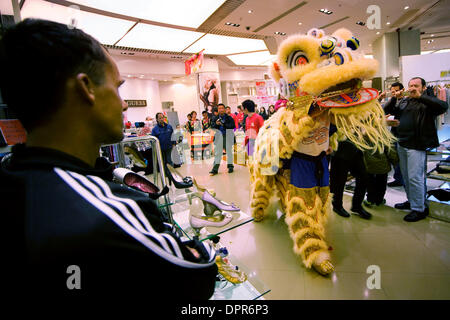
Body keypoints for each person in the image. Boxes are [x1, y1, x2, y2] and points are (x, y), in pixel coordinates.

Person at [0, 19, 217, 298]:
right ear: (86, 88)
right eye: (117, 88)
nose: (124, 103)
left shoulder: (13, 178)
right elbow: (199, 271)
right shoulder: (112, 210)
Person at [384, 77, 448, 222]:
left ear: (423, 87)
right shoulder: (405, 101)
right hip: (402, 143)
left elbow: (443, 106)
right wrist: (395, 98)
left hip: (416, 145)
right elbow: (386, 110)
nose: (412, 88)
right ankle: (412, 201)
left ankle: (419, 209)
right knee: (406, 177)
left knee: (415, 177)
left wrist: (420, 97)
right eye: (410, 85)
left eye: (416, 86)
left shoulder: (427, 101)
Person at [330, 136, 372, 220]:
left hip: (355, 148)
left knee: (363, 177)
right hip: (340, 149)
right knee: (339, 181)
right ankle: (337, 205)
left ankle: (356, 206)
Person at [381, 82, 406, 187]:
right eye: (392, 91)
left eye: (396, 91)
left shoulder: (407, 101)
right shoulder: (393, 101)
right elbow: (383, 110)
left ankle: (402, 179)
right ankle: (398, 178)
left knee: (402, 158)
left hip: (404, 134)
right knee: (395, 157)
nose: (394, 93)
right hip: (395, 132)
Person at [209, 103, 235, 175]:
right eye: (219, 108)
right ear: (217, 110)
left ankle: (230, 167)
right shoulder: (215, 118)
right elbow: (212, 127)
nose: (221, 110)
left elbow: (232, 126)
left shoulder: (229, 118)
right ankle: (215, 169)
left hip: (227, 136)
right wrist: (216, 124)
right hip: (218, 137)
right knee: (218, 153)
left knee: (229, 153)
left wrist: (224, 124)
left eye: (222, 108)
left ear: (224, 109)